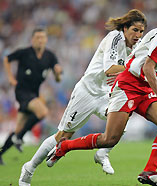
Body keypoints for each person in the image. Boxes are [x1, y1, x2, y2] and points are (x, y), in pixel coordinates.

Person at [47, 16, 157, 185]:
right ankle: (64, 146)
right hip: (128, 85)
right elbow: (147, 66)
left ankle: (149, 171)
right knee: (110, 139)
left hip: (144, 87)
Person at [19, 9, 147, 186]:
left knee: (122, 119)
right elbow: (110, 69)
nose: (138, 34)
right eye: (135, 30)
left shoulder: (135, 46)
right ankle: (29, 168)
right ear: (125, 28)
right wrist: (134, 69)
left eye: (141, 31)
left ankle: (102, 153)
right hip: (87, 91)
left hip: (105, 93)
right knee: (63, 136)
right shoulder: (115, 37)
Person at [0, 28, 62, 165]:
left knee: (18, 127)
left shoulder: (50, 56)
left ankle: (2, 151)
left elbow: (58, 79)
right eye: (37, 37)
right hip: (22, 91)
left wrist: (57, 73)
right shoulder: (24, 52)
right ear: (32, 40)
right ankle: (19, 137)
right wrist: (10, 77)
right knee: (43, 111)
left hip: (34, 93)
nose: (40, 40)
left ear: (46, 40)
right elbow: (6, 59)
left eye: (42, 37)